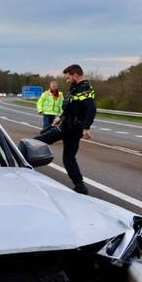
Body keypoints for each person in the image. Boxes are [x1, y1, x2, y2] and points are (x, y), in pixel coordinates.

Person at [36, 64, 94, 194]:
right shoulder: (75, 88)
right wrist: (61, 117)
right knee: (69, 158)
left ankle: (21, 165)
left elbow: (91, 109)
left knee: (36, 142)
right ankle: (80, 186)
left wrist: (86, 127)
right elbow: (71, 108)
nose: (67, 80)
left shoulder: (84, 90)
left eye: (68, 78)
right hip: (68, 125)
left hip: (71, 128)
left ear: (75, 75)